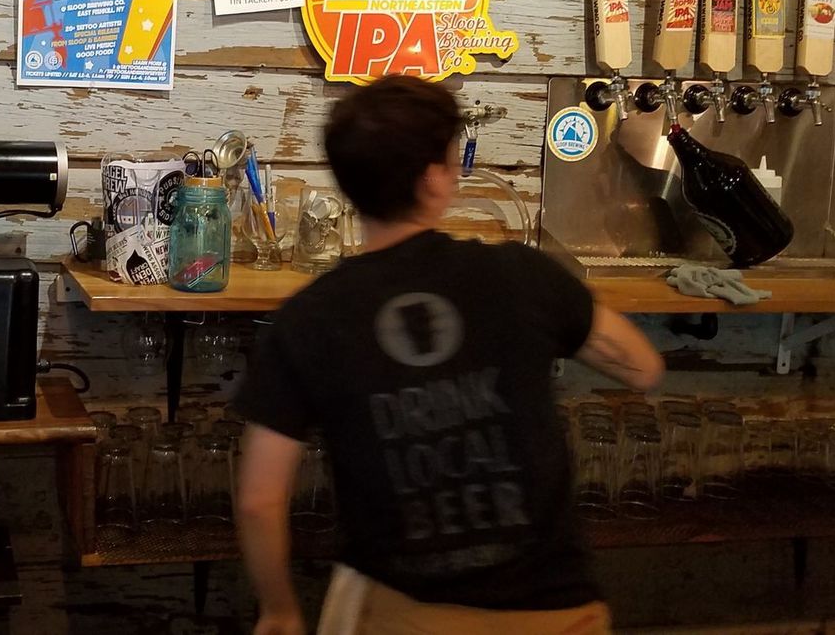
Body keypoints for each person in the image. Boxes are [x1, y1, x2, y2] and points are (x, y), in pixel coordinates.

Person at [234, 76, 664, 635]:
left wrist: (280, 611)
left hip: (401, 616)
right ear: (434, 177)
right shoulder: (521, 276)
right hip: (555, 613)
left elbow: (259, 501)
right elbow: (643, 367)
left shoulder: (308, 318)